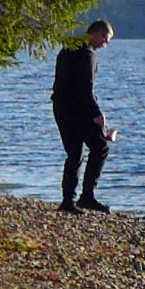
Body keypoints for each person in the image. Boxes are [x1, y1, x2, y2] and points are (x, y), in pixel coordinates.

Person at [52, 19, 115, 211]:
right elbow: (85, 87)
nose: (106, 44)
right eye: (106, 38)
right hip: (77, 108)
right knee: (100, 147)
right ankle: (87, 196)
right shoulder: (86, 54)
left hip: (60, 106)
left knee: (75, 153)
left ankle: (68, 200)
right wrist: (97, 114)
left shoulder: (67, 49)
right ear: (97, 34)